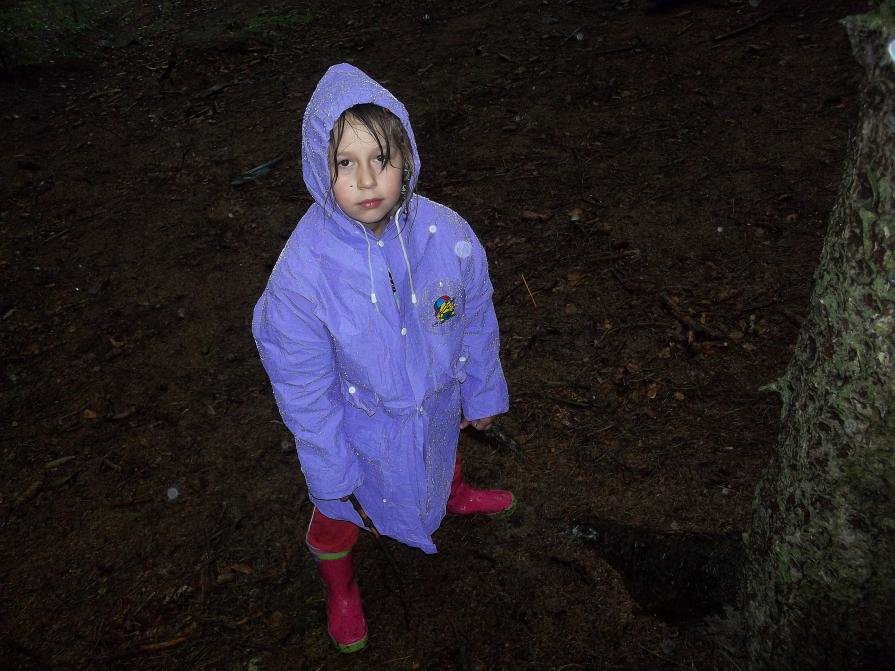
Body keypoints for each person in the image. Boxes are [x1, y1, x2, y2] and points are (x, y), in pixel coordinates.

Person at [251, 63, 515, 654]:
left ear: (408, 157)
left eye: (382, 157)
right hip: (357, 429)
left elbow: (475, 318)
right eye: (345, 162)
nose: (368, 179)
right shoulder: (303, 277)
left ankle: (451, 493)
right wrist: (330, 469)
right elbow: (302, 385)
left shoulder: (445, 236)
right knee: (340, 515)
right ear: (319, 167)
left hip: (437, 401)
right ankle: (341, 587)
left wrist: (481, 391)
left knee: (437, 444)